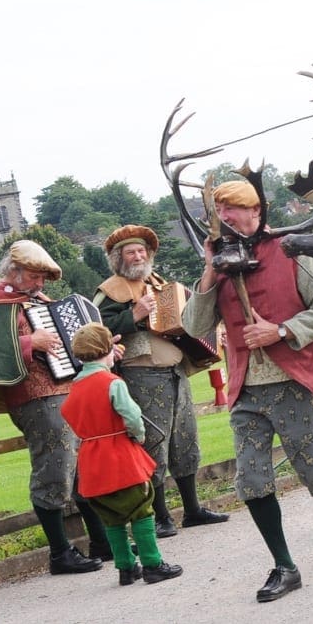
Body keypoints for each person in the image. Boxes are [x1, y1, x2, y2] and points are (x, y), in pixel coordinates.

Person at [182, 179, 313, 604]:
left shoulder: (291, 249)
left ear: (256, 212)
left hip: (296, 379)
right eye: (218, 212)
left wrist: (280, 330)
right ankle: (285, 566)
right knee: (251, 483)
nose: (223, 218)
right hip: (246, 390)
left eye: (231, 209)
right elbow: (193, 328)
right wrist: (208, 272)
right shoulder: (218, 263)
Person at [0, 240, 110, 574]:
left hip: (67, 392)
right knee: (54, 471)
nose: (41, 284)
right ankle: (60, 553)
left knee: (82, 469)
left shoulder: (39, 302)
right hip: (35, 399)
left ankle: (101, 542)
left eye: (44, 277)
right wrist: (33, 341)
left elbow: (72, 341)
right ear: (13, 271)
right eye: (35, 276)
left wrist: (101, 351)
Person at [95, 225, 229, 538]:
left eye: (142, 251)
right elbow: (98, 329)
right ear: (119, 259)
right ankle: (160, 516)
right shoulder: (110, 291)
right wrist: (135, 315)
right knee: (153, 444)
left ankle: (193, 510)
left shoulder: (158, 285)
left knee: (185, 439)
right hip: (141, 375)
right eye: (131, 252)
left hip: (175, 372)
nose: (139, 256)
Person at [61, 322, 184, 586]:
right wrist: (138, 435)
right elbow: (132, 415)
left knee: (111, 516)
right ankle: (152, 564)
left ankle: (126, 568)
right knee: (141, 507)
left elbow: (69, 415)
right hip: (119, 454)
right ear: (107, 350)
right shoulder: (112, 383)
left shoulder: (74, 388)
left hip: (91, 460)